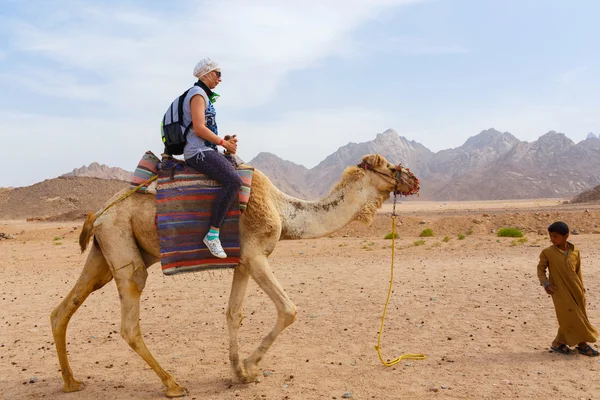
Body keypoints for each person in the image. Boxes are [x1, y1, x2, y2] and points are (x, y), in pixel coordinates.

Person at [182, 58, 242, 259]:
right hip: (197, 152)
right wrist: (222, 143)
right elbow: (199, 128)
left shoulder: (204, 96)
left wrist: (223, 141)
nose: (220, 79)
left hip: (206, 149)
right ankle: (213, 234)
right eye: (218, 74)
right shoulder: (197, 94)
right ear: (206, 74)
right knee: (234, 181)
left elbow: (203, 129)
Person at [537, 221, 599, 356]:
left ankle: (558, 343)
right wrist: (545, 284)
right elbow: (540, 269)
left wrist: (581, 289)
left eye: (555, 236)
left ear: (566, 236)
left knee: (575, 316)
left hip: (576, 290)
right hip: (559, 291)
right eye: (551, 236)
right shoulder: (547, 252)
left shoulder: (575, 251)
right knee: (571, 316)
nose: (552, 239)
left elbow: (578, 271)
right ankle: (582, 344)